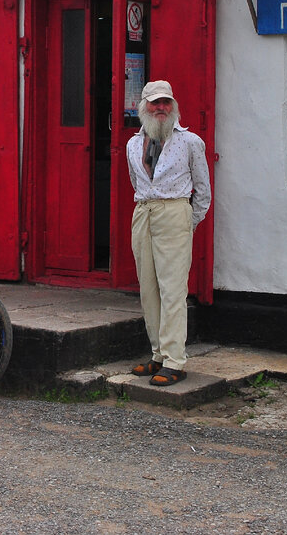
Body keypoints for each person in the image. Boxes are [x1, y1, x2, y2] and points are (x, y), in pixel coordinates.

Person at [125, 80, 211, 387]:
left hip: (174, 211)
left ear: (173, 105)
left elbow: (203, 190)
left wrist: (187, 221)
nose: (161, 108)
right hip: (143, 213)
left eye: (166, 102)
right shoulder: (133, 144)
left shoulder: (190, 142)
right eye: (155, 103)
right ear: (144, 107)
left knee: (173, 289)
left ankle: (176, 360)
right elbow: (137, 184)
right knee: (148, 288)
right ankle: (158, 354)